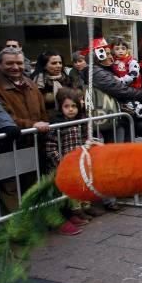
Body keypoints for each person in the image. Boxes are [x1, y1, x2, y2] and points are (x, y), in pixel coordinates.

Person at [0, 47, 49, 213]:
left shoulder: (29, 82)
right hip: (7, 145)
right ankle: (17, 228)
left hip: (31, 143)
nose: (15, 67)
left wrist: (43, 126)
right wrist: (31, 126)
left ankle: (32, 220)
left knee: (31, 184)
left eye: (19, 63)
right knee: (10, 189)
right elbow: (4, 116)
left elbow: (42, 111)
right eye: (9, 63)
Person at [44, 87, 93, 234]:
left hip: (76, 163)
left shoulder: (80, 122)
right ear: (60, 107)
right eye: (67, 106)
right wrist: (61, 162)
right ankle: (65, 216)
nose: (71, 110)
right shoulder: (56, 125)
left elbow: (84, 140)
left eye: (74, 106)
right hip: (61, 165)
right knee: (62, 193)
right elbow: (50, 147)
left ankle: (74, 213)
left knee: (75, 190)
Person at [30, 51, 74, 120]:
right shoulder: (37, 83)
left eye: (60, 63)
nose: (58, 66)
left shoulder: (68, 80)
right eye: (54, 63)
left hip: (69, 119)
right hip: (47, 121)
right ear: (44, 66)